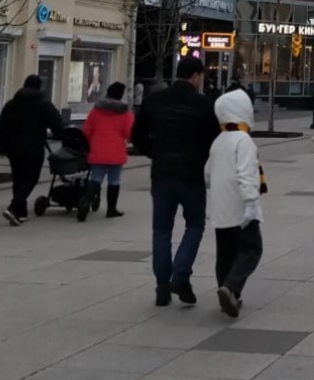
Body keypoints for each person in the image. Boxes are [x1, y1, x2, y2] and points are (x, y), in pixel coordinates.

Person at [132, 55, 221, 307]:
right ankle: (181, 274)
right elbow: (213, 140)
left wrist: (155, 152)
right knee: (195, 224)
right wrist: (201, 157)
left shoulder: (154, 100)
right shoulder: (203, 105)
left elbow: (136, 135)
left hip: (162, 173)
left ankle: (162, 285)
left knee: (161, 231)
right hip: (191, 174)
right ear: (195, 76)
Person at [205, 89, 264, 318]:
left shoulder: (218, 140)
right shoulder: (243, 140)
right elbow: (246, 173)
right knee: (251, 249)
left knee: (225, 253)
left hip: (220, 208)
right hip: (240, 206)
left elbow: (207, 173)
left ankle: (225, 290)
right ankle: (231, 287)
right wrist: (251, 202)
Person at [0, 75, 63, 226]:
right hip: (34, 147)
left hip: (13, 148)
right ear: (39, 87)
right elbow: (57, 125)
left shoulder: (11, 104)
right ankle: (14, 207)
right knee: (31, 178)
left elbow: (2, 127)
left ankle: (20, 212)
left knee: (18, 178)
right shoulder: (44, 104)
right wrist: (60, 135)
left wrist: (2, 147)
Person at [80, 81, 133, 220]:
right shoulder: (125, 113)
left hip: (98, 150)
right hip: (116, 151)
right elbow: (129, 133)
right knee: (114, 180)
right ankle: (111, 209)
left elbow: (86, 130)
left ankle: (84, 202)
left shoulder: (96, 110)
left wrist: (92, 142)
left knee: (96, 178)